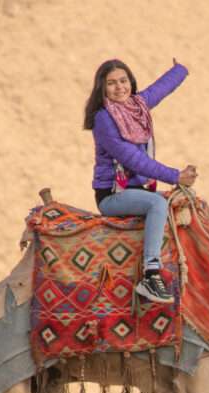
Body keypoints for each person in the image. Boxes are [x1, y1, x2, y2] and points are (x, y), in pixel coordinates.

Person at [83, 58, 197, 303]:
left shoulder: (138, 106)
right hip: (113, 195)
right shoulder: (104, 119)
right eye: (111, 83)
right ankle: (151, 275)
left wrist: (181, 69)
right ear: (101, 88)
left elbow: (160, 89)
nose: (119, 87)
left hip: (135, 190)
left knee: (185, 202)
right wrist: (176, 176)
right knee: (157, 204)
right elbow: (134, 160)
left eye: (123, 81)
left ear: (131, 82)